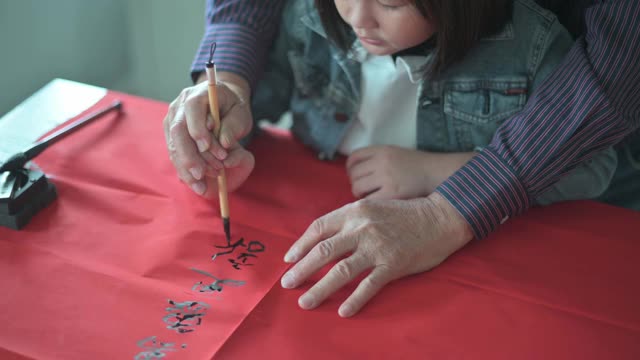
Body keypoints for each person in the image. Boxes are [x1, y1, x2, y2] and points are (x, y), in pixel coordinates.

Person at [163, 0, 640, 317]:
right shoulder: (311, 15)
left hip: (500, 268)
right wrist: (222, 104)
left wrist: (437, 175)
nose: (358, 19)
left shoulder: (530, 46)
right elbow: (261, 93)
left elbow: (594, 164)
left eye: (391, 2)